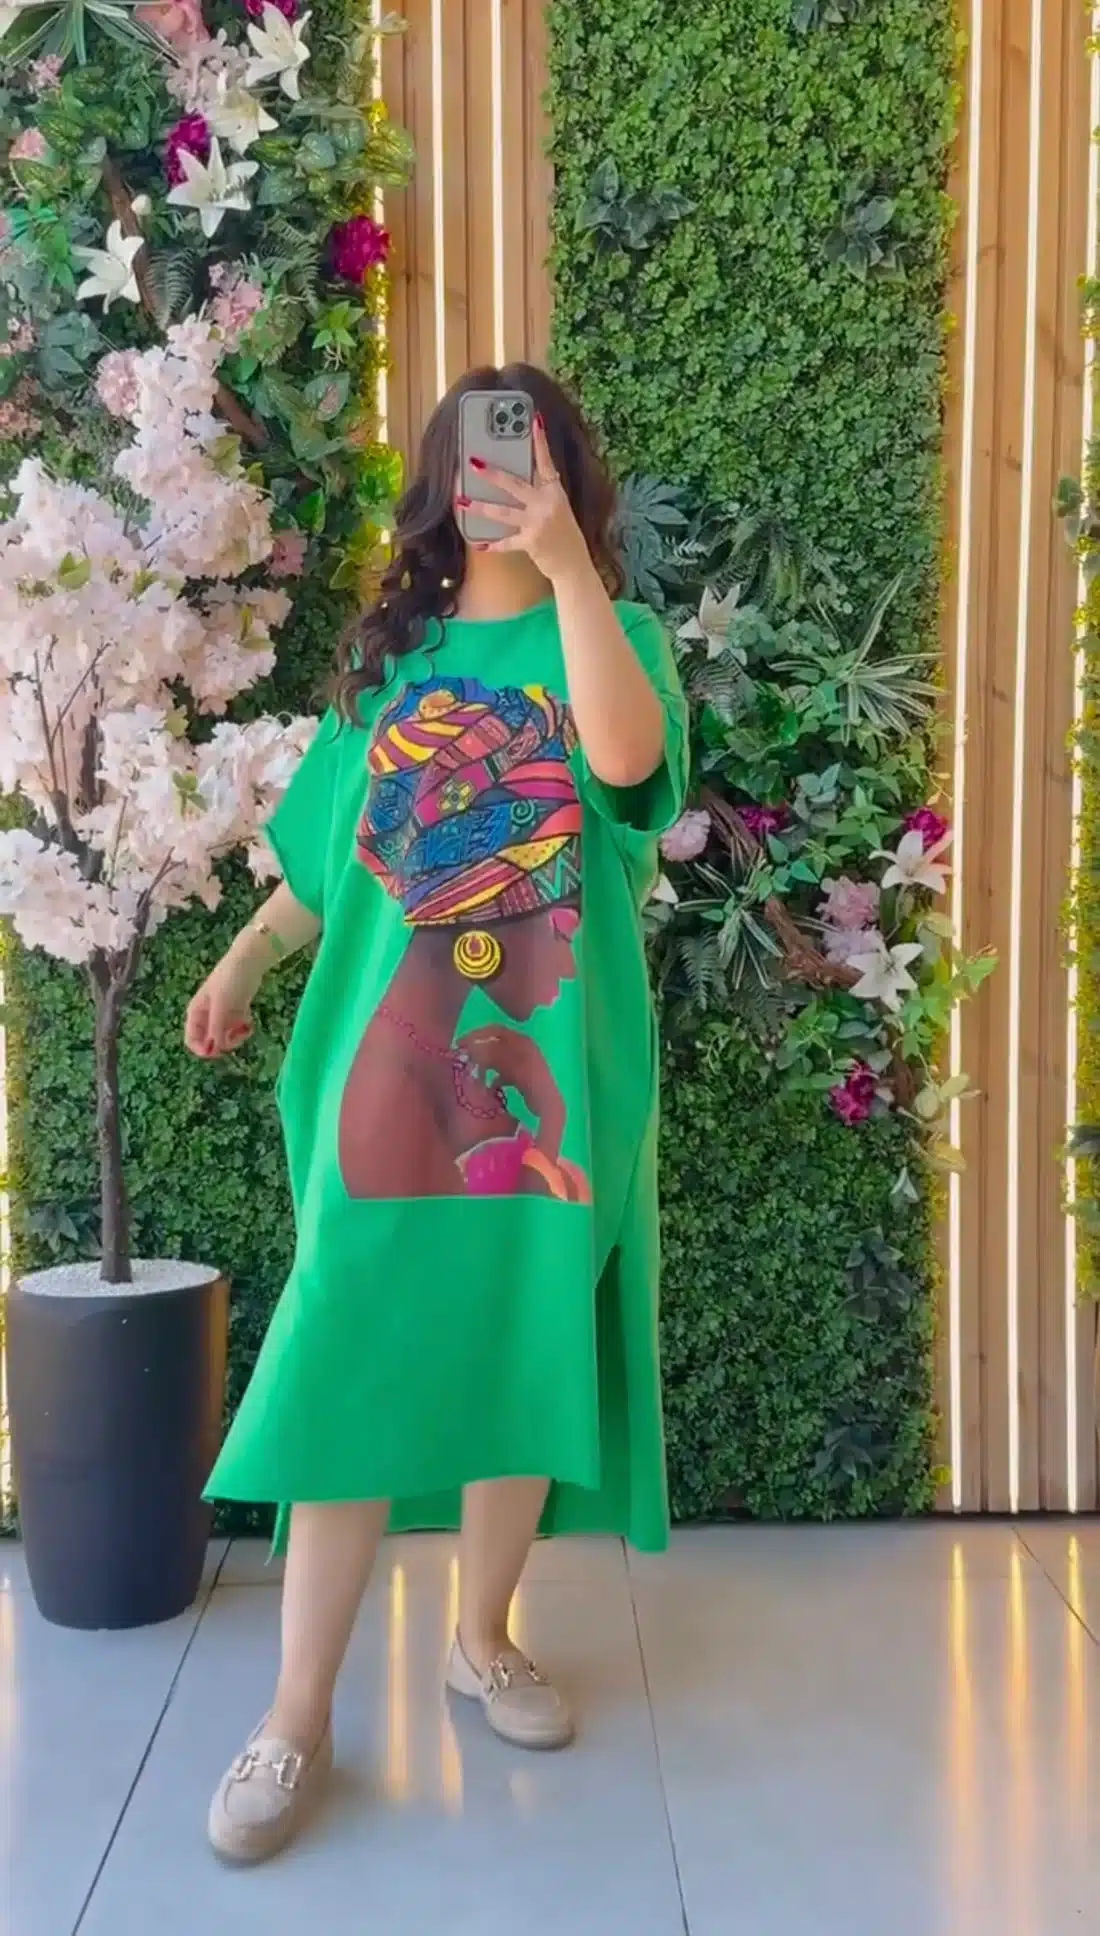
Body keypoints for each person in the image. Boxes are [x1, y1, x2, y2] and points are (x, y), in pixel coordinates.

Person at [184, 362, 689, 1865]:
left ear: (569, 478)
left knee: (520, 1342)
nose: (503, 476)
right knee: (344, 1346)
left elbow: (628, 768)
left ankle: (482, 1638)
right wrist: (241, 960)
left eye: (533, 454)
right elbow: (326, 862)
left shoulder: (614, 636)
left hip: (552, 1082)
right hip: (387, 1078)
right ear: (440, 475)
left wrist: (572, 573)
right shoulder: (391, 664)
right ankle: (295, 1715)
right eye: (481, 452)